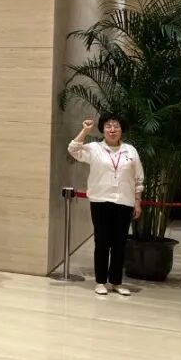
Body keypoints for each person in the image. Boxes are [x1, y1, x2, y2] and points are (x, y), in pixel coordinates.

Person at [68, 114, 145, 296]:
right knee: (102, 242)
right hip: (100, 201)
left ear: (121, 130)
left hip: (124, 201)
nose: (112, 130)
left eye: (116, 126)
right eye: (108, 126)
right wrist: (85, 131)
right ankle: (101, 281)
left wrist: (137, 201)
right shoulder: (94, 148)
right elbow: (73, 149)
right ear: (102, 130)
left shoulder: (130, 150)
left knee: (120, 244)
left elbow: (138, 178)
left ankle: (116, 282)